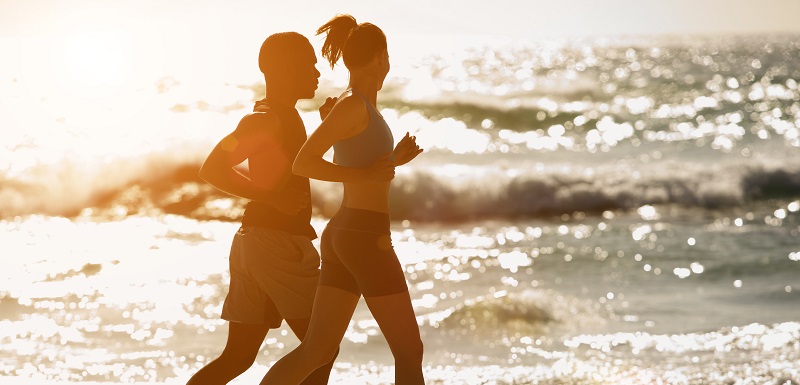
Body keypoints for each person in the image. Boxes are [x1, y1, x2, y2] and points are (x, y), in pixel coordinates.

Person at [259, 14, 425, 385]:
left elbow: (355, 162)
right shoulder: (352, 105)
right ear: (381, 57)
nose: (388, 63)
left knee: (316, 351)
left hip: (349, 233)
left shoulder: (358, 106)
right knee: (410, 351)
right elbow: (304, 162)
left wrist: (393, 159)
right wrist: (364, 174)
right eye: (387, 55)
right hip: (364, 236)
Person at [186, 32, 338, 385]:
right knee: (322, 350)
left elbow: (301, 163)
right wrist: (271, 198)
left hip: (255, 243)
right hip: (275, 244)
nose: (317, 72)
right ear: (285, 68)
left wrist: (329, 126)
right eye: (309, 64)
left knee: (238, 357)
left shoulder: (281, 116)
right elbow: (213, 168)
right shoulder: (267, 119)